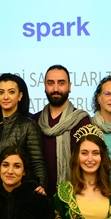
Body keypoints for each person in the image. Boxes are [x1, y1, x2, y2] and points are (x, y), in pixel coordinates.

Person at [0, 73, 47, 192]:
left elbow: (37, 162)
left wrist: (41, 186)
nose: (5, 97)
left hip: (17, 194)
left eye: (11, 92)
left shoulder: (28, 125)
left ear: (20, 96)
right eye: (1, 92)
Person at [33, 65, 91, 196]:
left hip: (74, 195)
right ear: (44, 86)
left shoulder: (82, 121)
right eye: (50, 83)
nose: (55, 89)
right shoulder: (35, 121)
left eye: (61, 83)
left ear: (69, 86)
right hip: (40, 195)